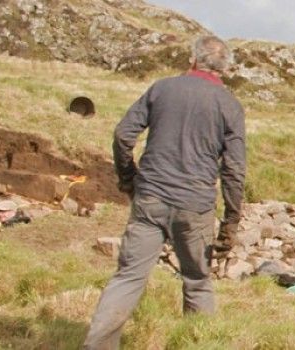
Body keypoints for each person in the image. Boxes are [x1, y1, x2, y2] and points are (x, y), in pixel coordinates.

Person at [85, 35, 246, 350]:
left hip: (151, 199)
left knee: (128, 277)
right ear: (225, 69)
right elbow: (234, 170)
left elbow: (122, 135)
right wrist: (231, 221)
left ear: (192, 60)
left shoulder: (162, 88)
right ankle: (197, 344)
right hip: (195, 206)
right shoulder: (229, 105)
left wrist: (128, 179)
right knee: (197, 282)